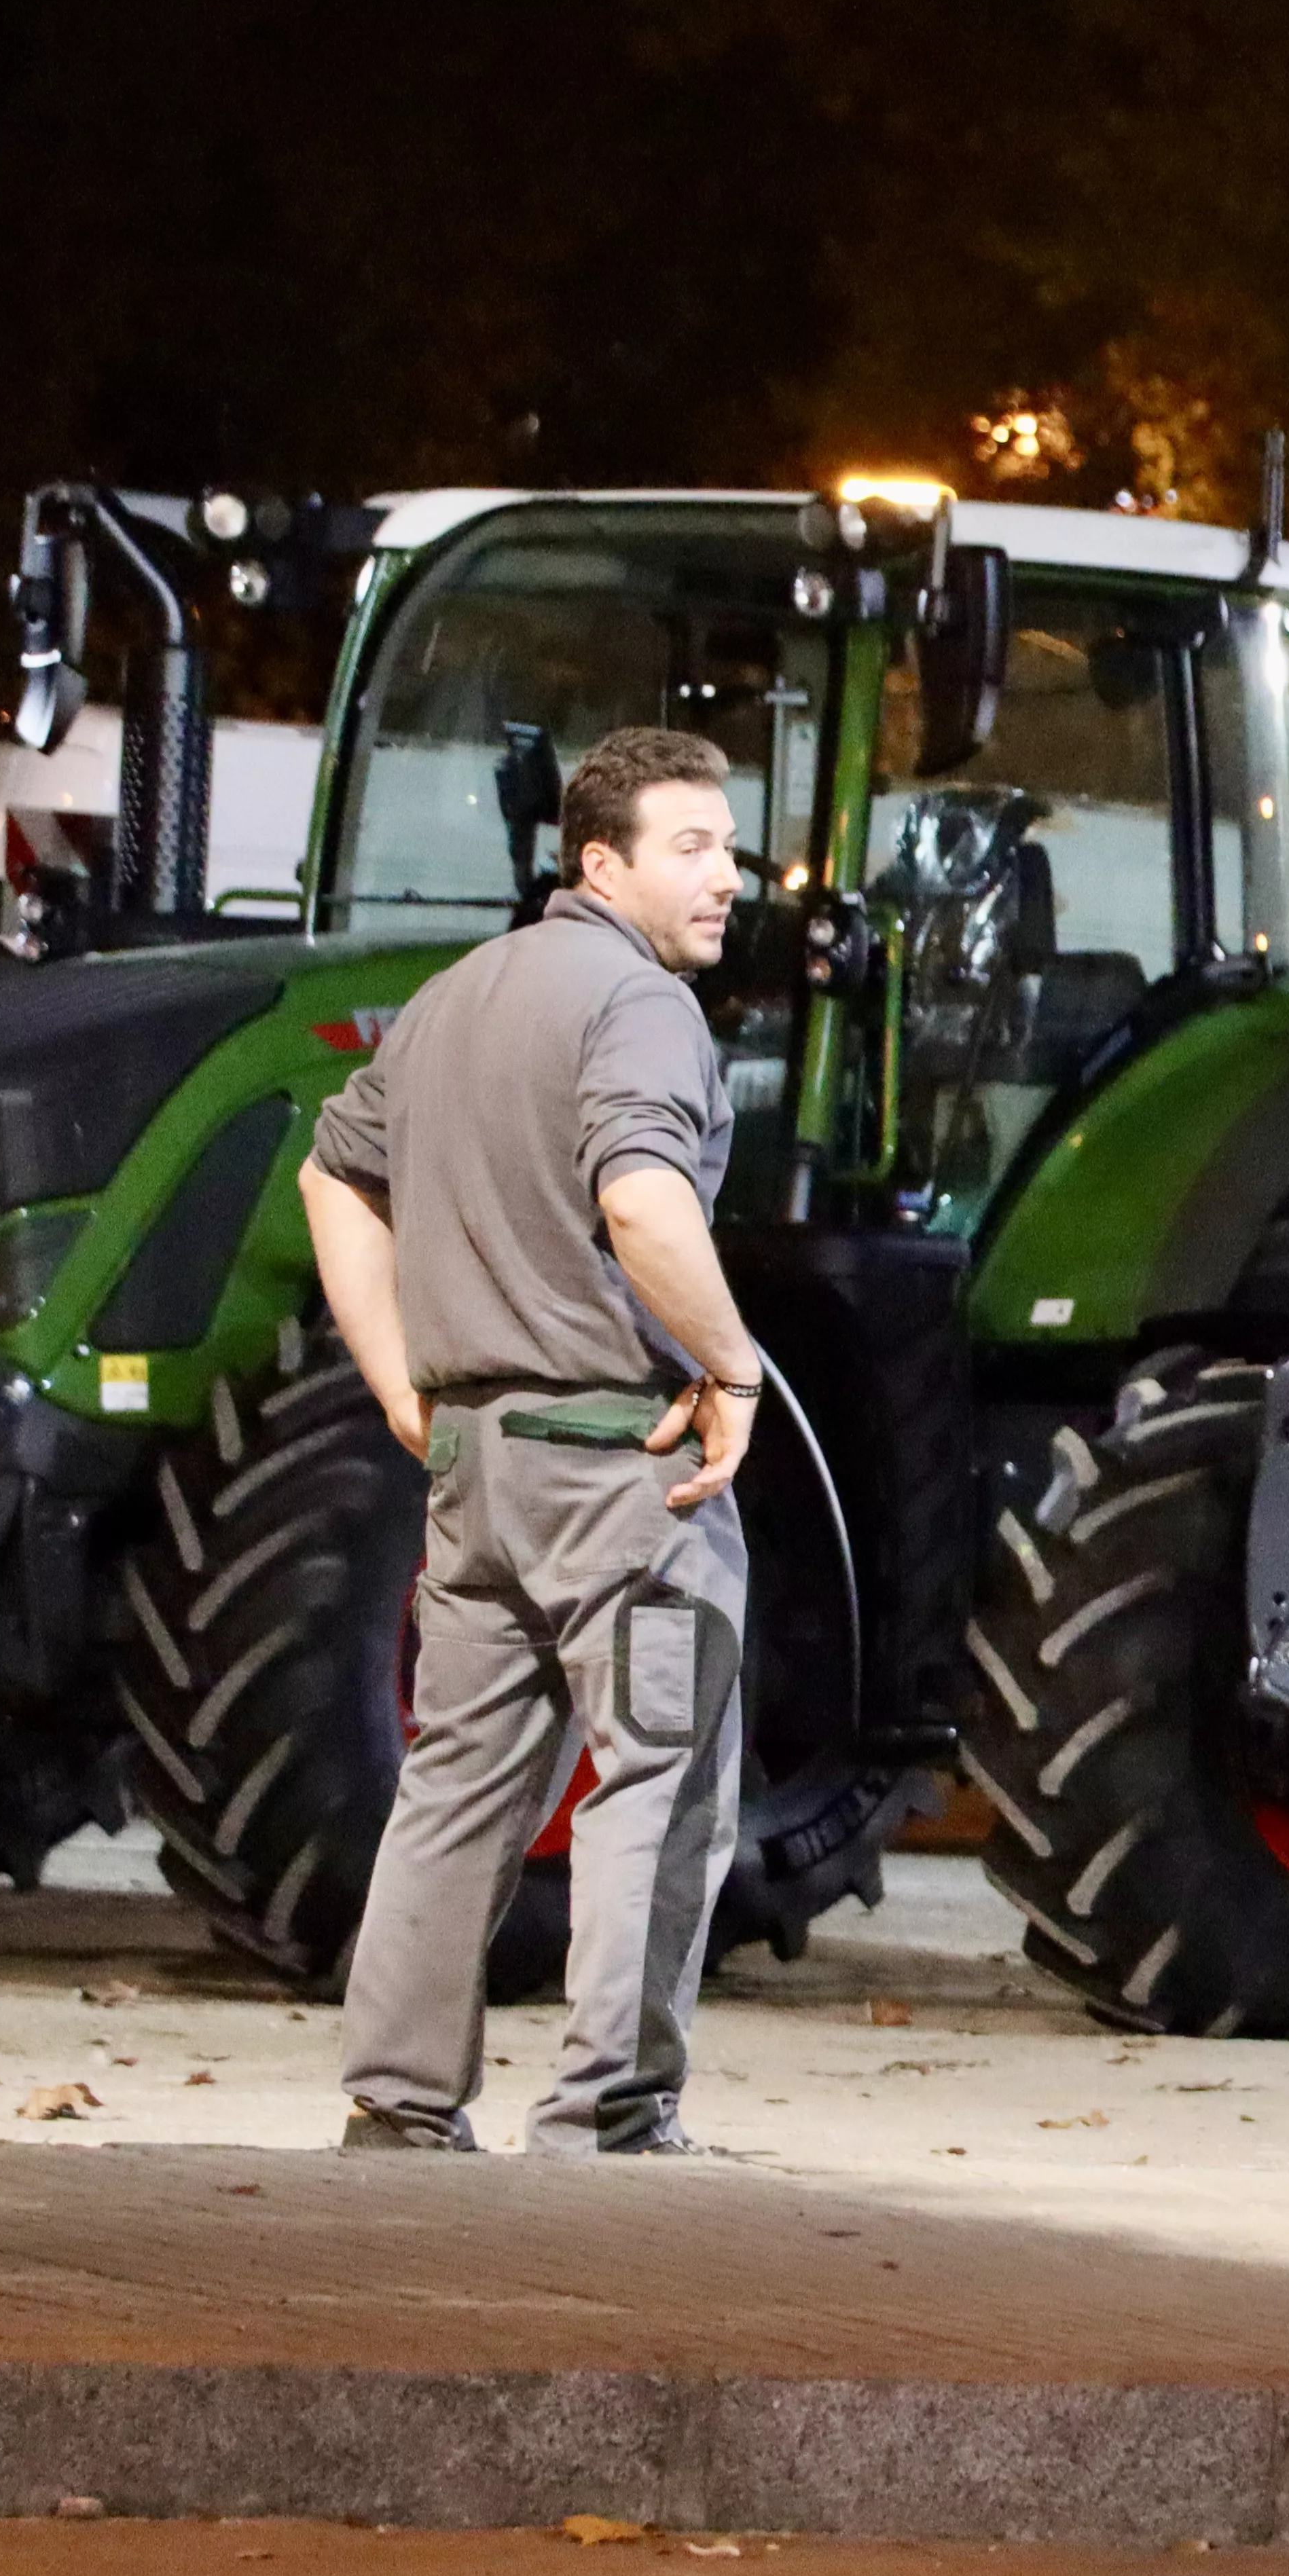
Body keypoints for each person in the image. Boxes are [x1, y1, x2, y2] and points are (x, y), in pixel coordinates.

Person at [297, 726, 767, 2155]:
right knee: (658, 1772)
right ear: (600, 861)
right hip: (617, 1457)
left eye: (730, 845)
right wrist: (732, 1364)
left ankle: (399, 2099)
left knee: (458, 1774)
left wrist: (396, 1378)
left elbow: (332, 1171)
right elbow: (641, 1201)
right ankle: (611, 2118)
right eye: (691, 847)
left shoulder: (452, 996)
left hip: (474, 1465)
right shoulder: (637, 1005)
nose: (728, 877)